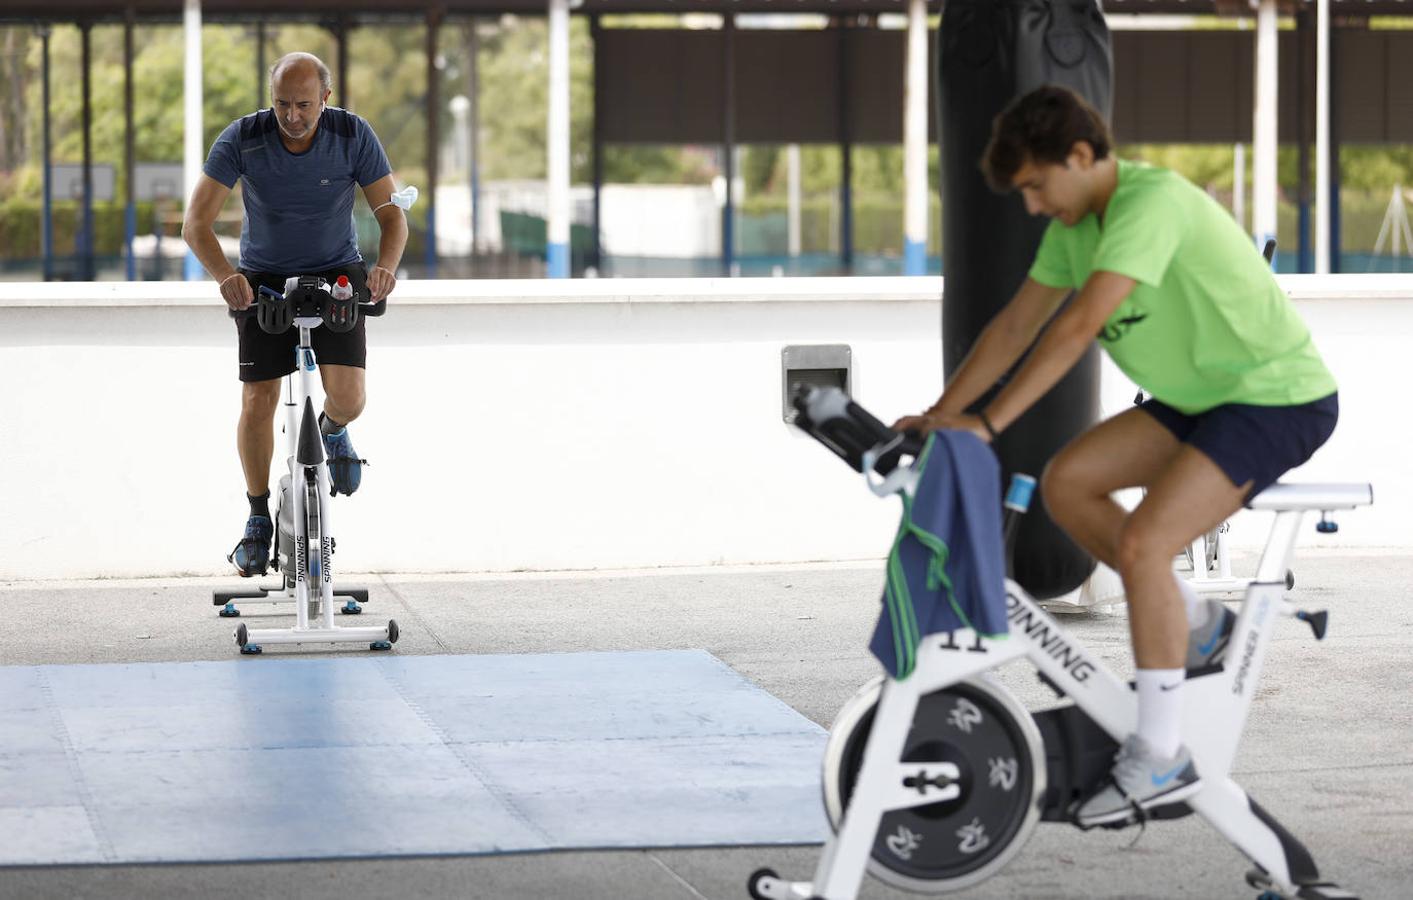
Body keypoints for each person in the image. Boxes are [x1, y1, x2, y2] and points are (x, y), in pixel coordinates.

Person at [895, 85, 1338, 826]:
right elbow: (1011, 328)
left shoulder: (1149, 203)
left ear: (1079, 155)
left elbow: (1072, 333)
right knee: (1067, 483)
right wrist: (943, 413)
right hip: (1197, 402)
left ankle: (1159, 755)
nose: (1032, 205)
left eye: (1036, 185)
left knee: (1142, 545)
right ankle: (1196, 621)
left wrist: (988, 423)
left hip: (1273, 397)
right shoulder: (1077, 225)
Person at [183, 51, 408, 578]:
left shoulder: (353, 135)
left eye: (304, 105)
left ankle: (329, 430)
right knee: (258, 399)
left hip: (339, 274)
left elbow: (393, 217)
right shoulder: (243, 136)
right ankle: (258, 515)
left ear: (325, 99)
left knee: (349, 399)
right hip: (262, 279)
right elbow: (196, 223)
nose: (292, 116)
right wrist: (225, 276)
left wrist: (386, 269)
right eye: (282, 103)